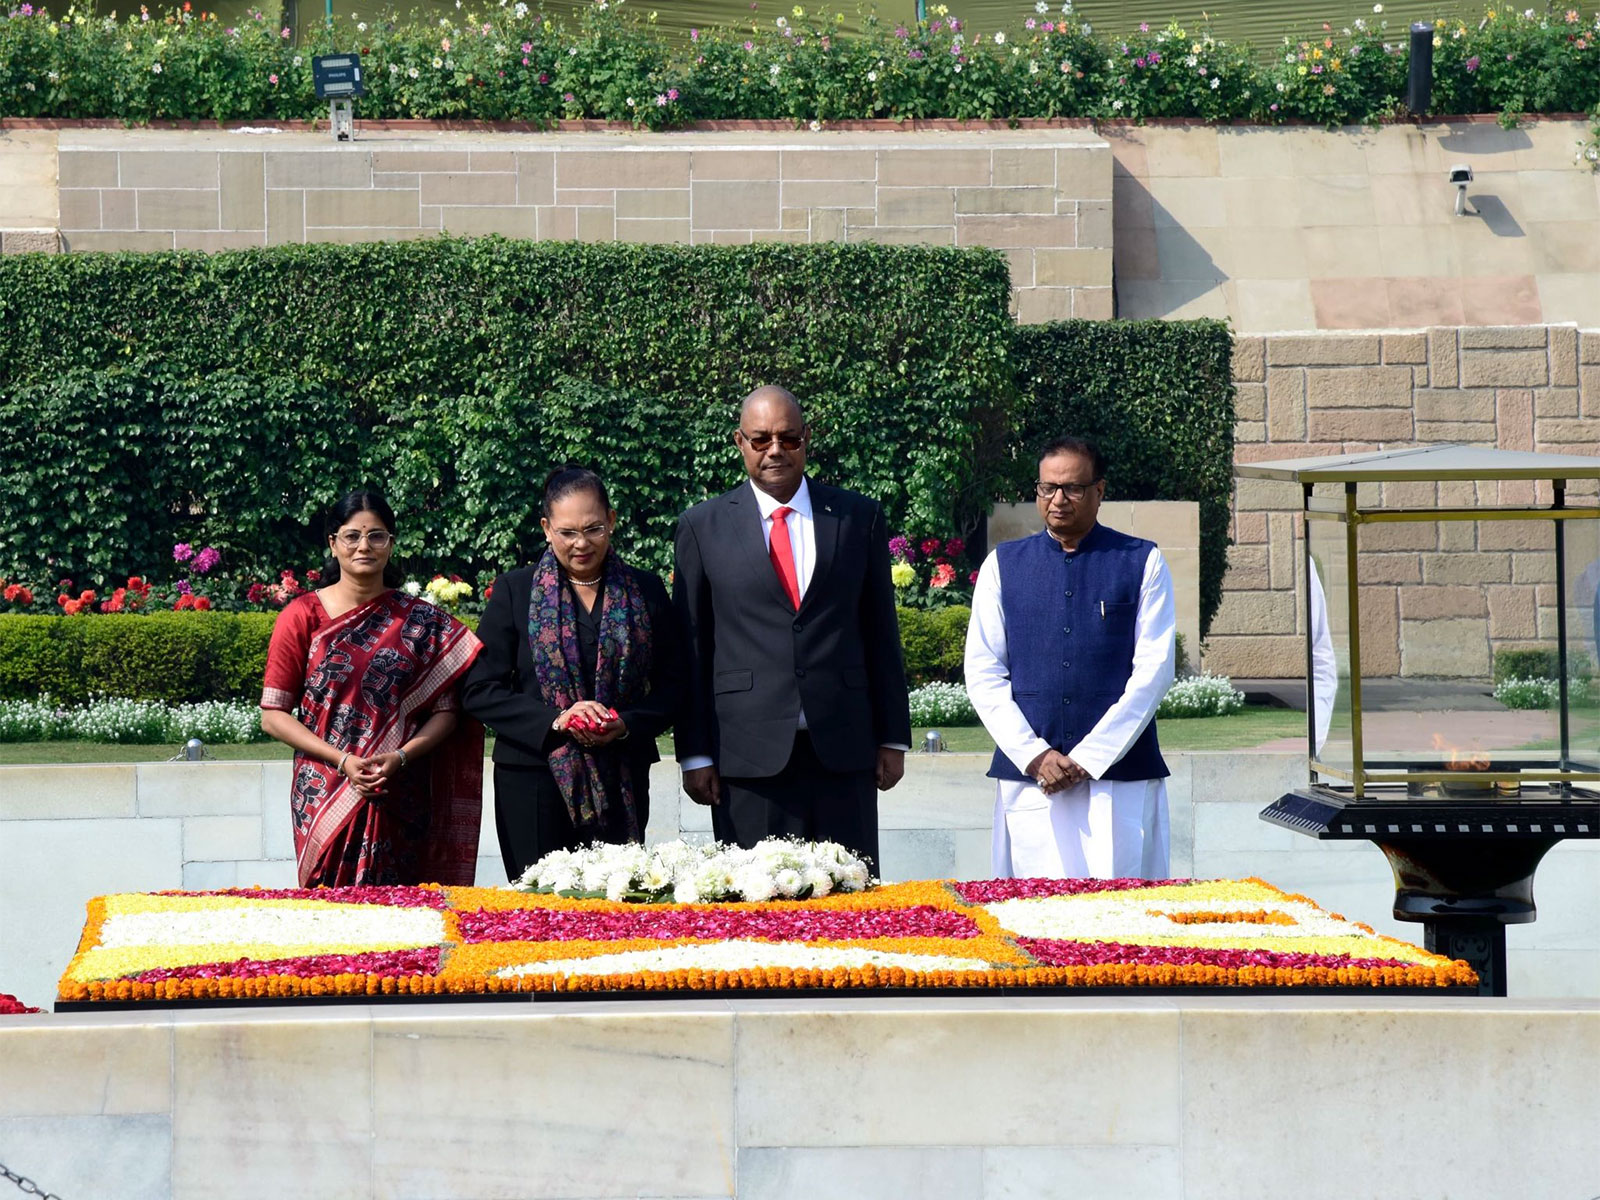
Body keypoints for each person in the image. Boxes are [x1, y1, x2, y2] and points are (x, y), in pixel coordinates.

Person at [672, 385, 911, 872]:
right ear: (739, 442)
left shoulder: (857, 517)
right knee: (756, 905)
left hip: (843, 748)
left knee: (852, 903)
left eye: (788, 438)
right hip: (745, 755)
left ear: (807, 438)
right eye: (760, 440)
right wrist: (694, 754)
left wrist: (893, 736)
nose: (775, 450)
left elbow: (880, 632)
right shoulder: (703, 525)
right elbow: (692, 648)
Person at [964, 437, 1176, 880]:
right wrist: (1035, 756)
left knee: (1122, 917)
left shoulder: (1142, 562)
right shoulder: (1003, 565)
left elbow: (1153, 672)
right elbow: (983, 672)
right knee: (1030, 915)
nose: (1058, 500)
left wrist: (1091, 757)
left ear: (1099, 491)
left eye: (1072, 488)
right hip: (1030, 779)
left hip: (1118, 780)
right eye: (1047, 488)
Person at [462, 467, 685, 880]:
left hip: (622, 776)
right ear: (547, 528)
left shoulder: (645, 590)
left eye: (593, 528)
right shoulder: (516, 590)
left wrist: (623, 724)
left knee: (615, 905)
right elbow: (480, 690)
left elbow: (675, 686)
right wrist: (557, 719)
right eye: (567, 532)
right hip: (533, 779)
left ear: (612, 521)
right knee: (536, 916)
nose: (581, 543)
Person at [260, 491, 484, 887]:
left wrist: (399, 756)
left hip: (398, 788)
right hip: (325, 787)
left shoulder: (422, 623)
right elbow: (273, 715)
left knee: (406, 916)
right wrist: (342, 759)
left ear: (391, 543)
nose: (364, 546)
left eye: (377, 536)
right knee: (330, 914)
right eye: (352, 536)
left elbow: (448, 712)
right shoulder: (301, 616)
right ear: (333, 543)